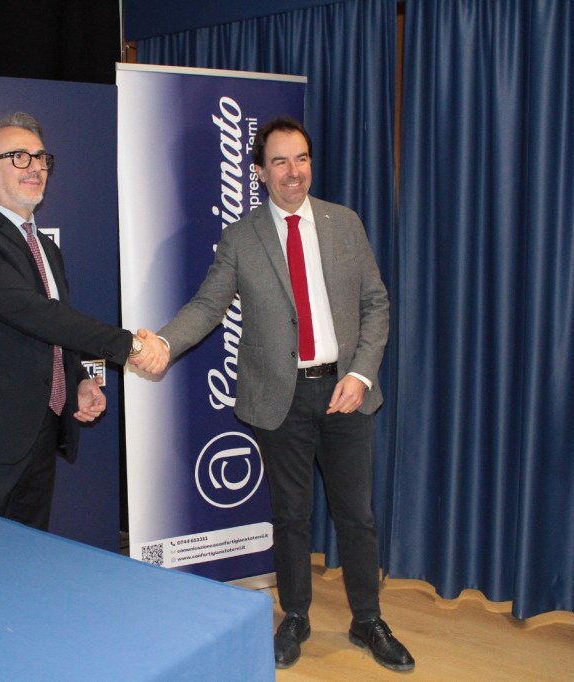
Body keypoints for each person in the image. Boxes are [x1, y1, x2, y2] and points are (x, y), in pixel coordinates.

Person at [155, 117, 413, 672]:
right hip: (281, 398)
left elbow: (376, 304)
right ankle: (294, 615)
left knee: (357, 517)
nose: (293, 172)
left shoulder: (344, 224)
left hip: (346, 392)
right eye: (279, 161)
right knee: (291, 516)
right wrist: (162, 344)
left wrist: (361, 373)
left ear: (310, 165)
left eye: (301, 159)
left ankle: (367, 619)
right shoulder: (241, 238)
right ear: (259, 172)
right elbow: (206, 306)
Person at [0, 112, 167, 531]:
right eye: (19, 157)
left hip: (37, 432)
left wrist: (77, 381)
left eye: (40, 157)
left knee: (30, 560)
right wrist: (132, 346)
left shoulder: (44, 248)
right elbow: (33, 313)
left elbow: (51, 332)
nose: (36, 167)